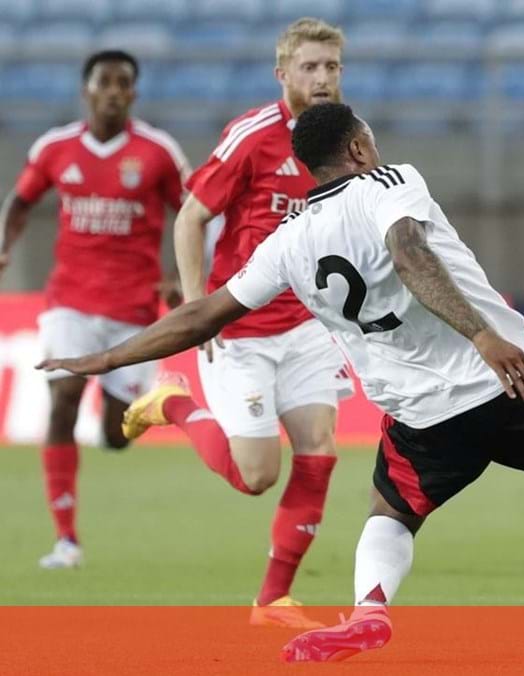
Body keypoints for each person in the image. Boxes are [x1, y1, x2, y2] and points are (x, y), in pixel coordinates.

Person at [38, 102, 524, 664]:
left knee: (391, 511)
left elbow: (202, 314)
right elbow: (407, 248)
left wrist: (104, 360)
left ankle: (369, 608)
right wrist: (483, 334)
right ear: (359, 146)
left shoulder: (286, 242)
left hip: (416, 414)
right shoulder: (391, 181)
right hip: (501, 381)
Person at [120, 18, 352, 627]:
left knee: (319, 450)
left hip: (307, 326)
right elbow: (190, 219)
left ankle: (272, 600)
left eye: (332, 67)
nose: (323, 78)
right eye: (310, 67)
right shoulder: (253, 136)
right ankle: (171, 404)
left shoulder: (349, 139)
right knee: (256, 476)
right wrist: (199, 312)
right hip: (240, 326)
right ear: (283, 74)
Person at [0, 49, 188, 569]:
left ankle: (142, 404)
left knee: (114, 436)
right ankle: (66, 540)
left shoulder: (156, 151)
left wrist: (180, 277)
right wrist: (4, 244)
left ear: (134, 92)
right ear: (86, 90)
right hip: (71, 301)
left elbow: (193, 212)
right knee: (62, 396)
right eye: (103, 81)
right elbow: (19, 202)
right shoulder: (56, 148)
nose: (113, 90)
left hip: (133, 308)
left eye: (123, 83)